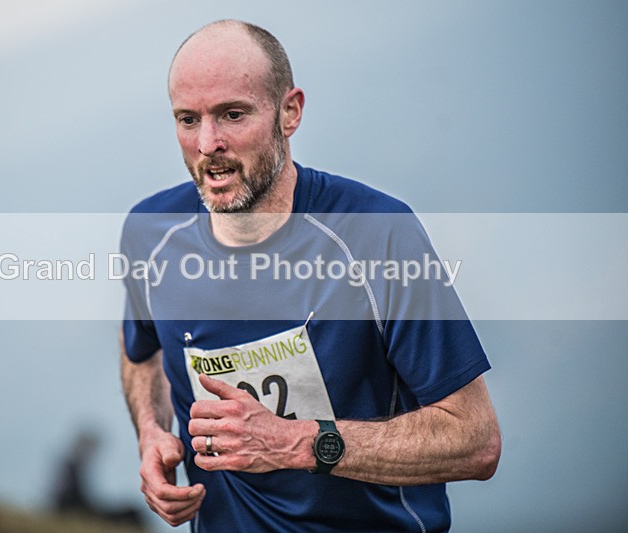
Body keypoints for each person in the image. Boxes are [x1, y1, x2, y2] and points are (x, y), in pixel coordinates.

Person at [119, 19, 501, 532]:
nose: (208, 143)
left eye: (233, 115)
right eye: (188, 120)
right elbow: (141, 353)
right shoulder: (151, 233)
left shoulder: (375, 233)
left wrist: (292, 442)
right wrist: (151, 434)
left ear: (289, 112)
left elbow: (475, 441)